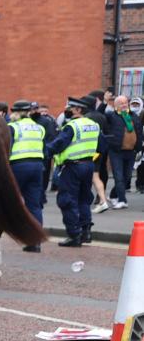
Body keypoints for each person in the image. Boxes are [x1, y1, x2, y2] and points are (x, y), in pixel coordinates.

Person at [0, 100, 47, 252]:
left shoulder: (13, 127)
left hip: (18, 166)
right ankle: (35, 241)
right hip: (37, 167)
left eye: (14, 112)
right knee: (34, 204)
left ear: (18, 112)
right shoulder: (39, 127)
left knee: (1, 201)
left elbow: (6, 149)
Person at [46, 94, 107, 247]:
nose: (67, 110)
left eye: (70, 108)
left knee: (67, 200)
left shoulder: (72, 126)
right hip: (88, 166)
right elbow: (102, 147)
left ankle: (74, 235)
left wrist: (43, 152)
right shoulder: (94, 125)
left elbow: (58, 144)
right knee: (84, 199)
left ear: (78, 109)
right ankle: (86, 232)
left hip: (72, 167)